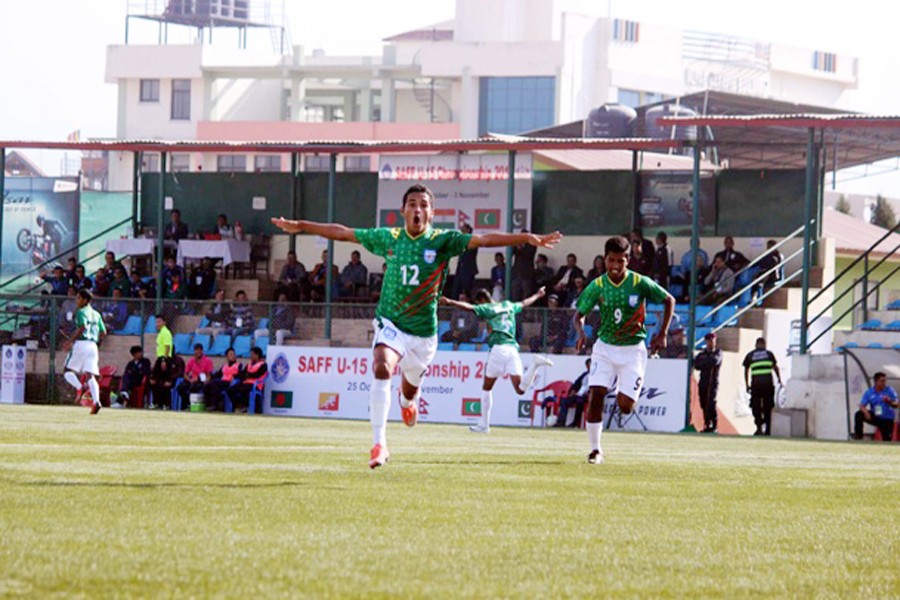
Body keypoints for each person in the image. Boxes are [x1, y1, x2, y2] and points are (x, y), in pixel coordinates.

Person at [272, 183, 561, 469]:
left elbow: (483, 240)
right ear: (403, 210)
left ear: (431, 213)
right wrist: (301, 225)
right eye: (412, 204)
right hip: (392, 323)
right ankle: (379, 444)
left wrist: (526, 237)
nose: (417, 209)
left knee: (409, 392)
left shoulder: (441, 240)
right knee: (382, 366)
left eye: (423, 205)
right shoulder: (390, 238)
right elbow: (343, 233)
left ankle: (408, 399)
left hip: (423, 334)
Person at [574, 236, 675, 464]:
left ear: (627, 259)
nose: (615, 266)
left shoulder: (639, 282)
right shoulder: (597, 286)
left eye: (620, 261)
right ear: (604, 260)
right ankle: (595, 450)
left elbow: (669, 300)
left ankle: (625, 387)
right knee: (596, 393)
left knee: (625, 407)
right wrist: (580, 333)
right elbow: (578, 315)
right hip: (605, 348)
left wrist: (663, 333)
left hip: (633, 351)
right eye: (611, 261)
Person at [439, 287, 552, 433]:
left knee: (487, 388)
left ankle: (484, 425)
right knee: (520, 389)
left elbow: (469, 307)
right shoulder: (508, 305)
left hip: (498, 349)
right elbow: (524, 303)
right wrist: (538, 294)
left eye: (479, 303)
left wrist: (449, 301)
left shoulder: (488, 308)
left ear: (482, 300)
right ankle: (535, 365)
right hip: (512, 349)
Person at [61, 289, 107, 415]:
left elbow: (83, 327)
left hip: (82, 343)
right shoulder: (96, 314)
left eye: (79, 298)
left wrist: (69, 341)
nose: (77, 301)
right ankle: (97, 402)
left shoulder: (81, 312)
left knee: (67, 371)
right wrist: (97, 344)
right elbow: (103, 332)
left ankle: (80, 388)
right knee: (90, 375)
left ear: (85, 300)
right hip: (93, 345)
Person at [742, 337, 782, 436]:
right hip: (768, 385)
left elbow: (746, 371)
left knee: (756, 407)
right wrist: (779, 380)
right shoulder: (769, 354)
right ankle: (767, 429)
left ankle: (759, 427)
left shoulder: (750, 355)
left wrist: (747, 385)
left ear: (756, 344)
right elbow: (775, 368)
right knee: (767, 408)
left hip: (756, 386)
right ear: (764, 344)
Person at [853, 372, 898, 441]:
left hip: (887, 419)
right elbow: (862, 406)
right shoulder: (870, 392)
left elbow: (897, 404)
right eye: (882, 381)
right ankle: (858, 437)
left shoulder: (890, 390)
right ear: (876, 382)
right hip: (876, 417)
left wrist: (889, 401)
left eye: (885, 381)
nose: (884, 383)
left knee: (887, 439)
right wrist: (866, 412)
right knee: (859, 414)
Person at [694, 332, 723, 433]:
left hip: (713, 382)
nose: (711, 343)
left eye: (712, 341)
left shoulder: (718, 352)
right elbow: (696, 365)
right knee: (703, 403)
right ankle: (707, 424)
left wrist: (704, 363)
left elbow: (714, 361)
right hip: (703, 382)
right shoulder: (702, 354)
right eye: (709, 341)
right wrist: (706, 362)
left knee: (711, 403)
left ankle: (714, 425)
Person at [225, 346, 267, 413]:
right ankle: (238, 405)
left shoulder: (263, 365)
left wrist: (247, 375)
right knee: (230, 390)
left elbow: (257, 375)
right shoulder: (249, 364)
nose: (251, 356)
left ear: (257, 355)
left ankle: (244, 406)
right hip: (245, 383)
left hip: (255, 385)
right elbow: (243, 374)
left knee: (243, 390)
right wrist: (237, 376)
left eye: (252, 354)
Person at [176, 343, 214, 410]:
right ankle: (187, 403)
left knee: (195, 387)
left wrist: (205, 381)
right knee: (180, 387)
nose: (198, 352)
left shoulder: (207, 361)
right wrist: (189, 380)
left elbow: (209, 375)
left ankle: (203, 405)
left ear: (202, 351)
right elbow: (185, 374)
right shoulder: (191, 361)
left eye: (200, 350)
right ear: (194, 351)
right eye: (197, 350)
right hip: (192, 380)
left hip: (202, 380)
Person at [555, 358, 591, 428]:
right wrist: (572, 390)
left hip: (587, 396)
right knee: (564, 401)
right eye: (588, 365)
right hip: (579, 394)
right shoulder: (584, 374)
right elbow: (576, 384)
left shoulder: (597, 376)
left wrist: (588, 393)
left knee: (579, 401)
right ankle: (561, 422)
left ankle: (576, 423)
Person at [450, 223, 477, 300]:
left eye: (464, 229)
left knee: (467, 292)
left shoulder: (473, 240)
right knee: (455, 291)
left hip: (468, 270)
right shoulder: (461, 241)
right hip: (460, 270)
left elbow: (470, 250)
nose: (462, 231)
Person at [510, 233, 536, 301]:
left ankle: (525, 310)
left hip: (526, 274)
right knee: (515, 293)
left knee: (526, 294)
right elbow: (511, 253)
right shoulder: (517, 244)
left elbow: (528, 255)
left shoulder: (532, 245)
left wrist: (520, 247)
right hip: (516, 273)